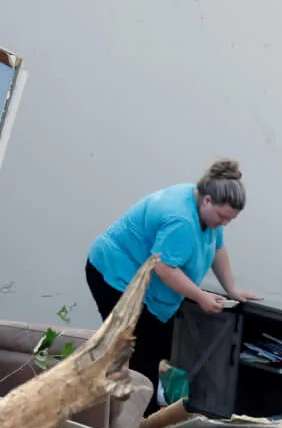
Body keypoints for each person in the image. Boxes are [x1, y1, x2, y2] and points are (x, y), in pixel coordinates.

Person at [85, 160, 259, 383]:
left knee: (155, 351)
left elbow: (217, 247)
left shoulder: (204, 205)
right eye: (222, 217)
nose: (224, 223)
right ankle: (124, 409)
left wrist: (232, 289)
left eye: (230, 219)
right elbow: (165, 268)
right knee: (135, 354)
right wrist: (201, 297)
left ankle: (139, 406)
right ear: (208, 200)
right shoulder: (181, 220)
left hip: (150, 286)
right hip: (115, 274)